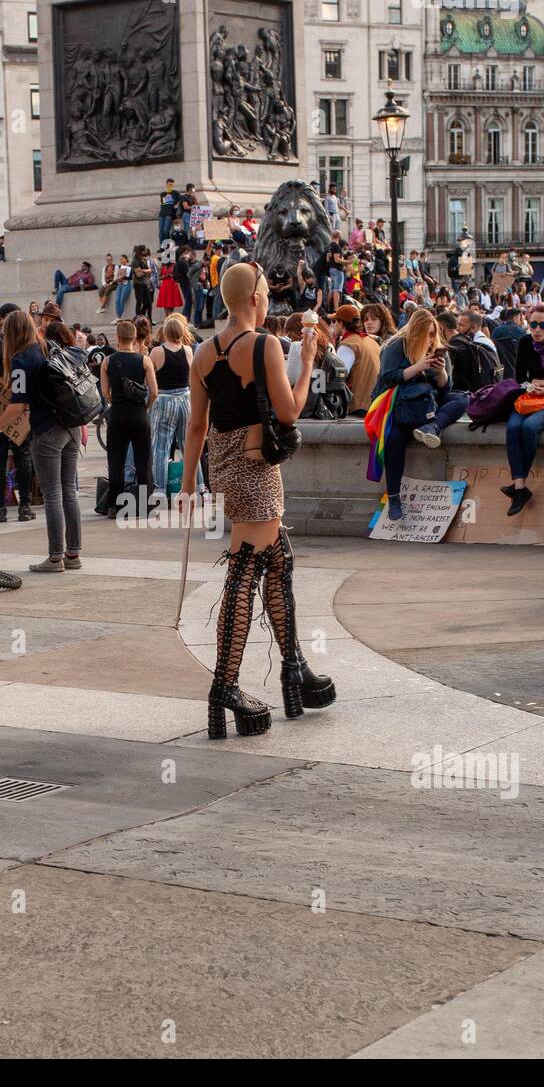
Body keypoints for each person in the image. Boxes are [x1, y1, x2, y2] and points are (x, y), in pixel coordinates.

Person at [179, 261, 334, 738]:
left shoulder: (203, 352)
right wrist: (306, 363)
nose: (267, 298)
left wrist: (188, 484)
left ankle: (294, 669)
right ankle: (225, 688)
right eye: (265, 291)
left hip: (227, 465)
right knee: (245, 573)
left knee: (277, 562)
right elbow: (288, 412)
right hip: (258, 470)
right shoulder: (266, 344)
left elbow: (197, 426)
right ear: (254, 298)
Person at [0, 312, 81, 571]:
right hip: (70, 424)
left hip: (47, 429)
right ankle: (73, 554)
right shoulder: (47, 346)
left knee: (52, 493)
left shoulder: (21, 359)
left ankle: (54, 557)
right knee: (68, 491)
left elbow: (18, 405)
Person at [371, 308, 470, 520]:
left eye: (434, 333)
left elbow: (445, 389)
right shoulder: (396, 346)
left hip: (427, 404)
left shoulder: (438, 349)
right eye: (428, 334)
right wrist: (418, 367)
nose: (432, 338)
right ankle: (394, 497)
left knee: (462, 398)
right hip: (399, 405)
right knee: (394, 441)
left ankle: (433, 426)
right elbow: (389, 378)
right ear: (416, 332)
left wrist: (441, 372)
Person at [504, 302, 544, 516]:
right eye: (533, 324)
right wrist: (532, 385)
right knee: (512, 427)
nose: (537, 330)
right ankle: (520, 487)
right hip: (530, 397)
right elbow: (519, 377)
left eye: (542, 325)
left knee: (529, 428)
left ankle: (519, 487)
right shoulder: (524, 342)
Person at [0, 303, 35, 523]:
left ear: (1, 319)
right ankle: (25, 506)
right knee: (23, 457)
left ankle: (0, 507)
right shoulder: (26, 346)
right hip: (21, 404)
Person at [101, 319, 158, 517]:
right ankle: (144, 506)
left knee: (116, 461)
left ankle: (114, 506)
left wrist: (114, 401)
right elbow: (154, 392)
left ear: (117, 338)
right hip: (138, 414)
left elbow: (105, 393)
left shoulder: (107, 361)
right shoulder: (144, 360)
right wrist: (145, 406)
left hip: (117, 414)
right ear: (134, 339)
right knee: (144, 461)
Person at [147, 313, 200, 496]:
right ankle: (199, 486)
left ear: (164, 332)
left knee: (161, 446)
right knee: (189, 446)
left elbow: (149, 378)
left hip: (164, 399)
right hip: (185, 398)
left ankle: (160, 488)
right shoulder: (188, 350)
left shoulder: (157, 352)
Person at [331, 305, 380, 416]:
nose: (333, 325)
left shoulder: (348, 345)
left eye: (335, 321)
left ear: (341, 323)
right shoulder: (370, 341)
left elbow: (338, 378)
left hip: (358, 407)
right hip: (374, 405)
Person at [491, 306, 526, 379]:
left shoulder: (496, 330)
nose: (521, 320)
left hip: (498, 369)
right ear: (515, 318)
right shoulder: (521, 332)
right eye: (520, 318)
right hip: (515, 370)